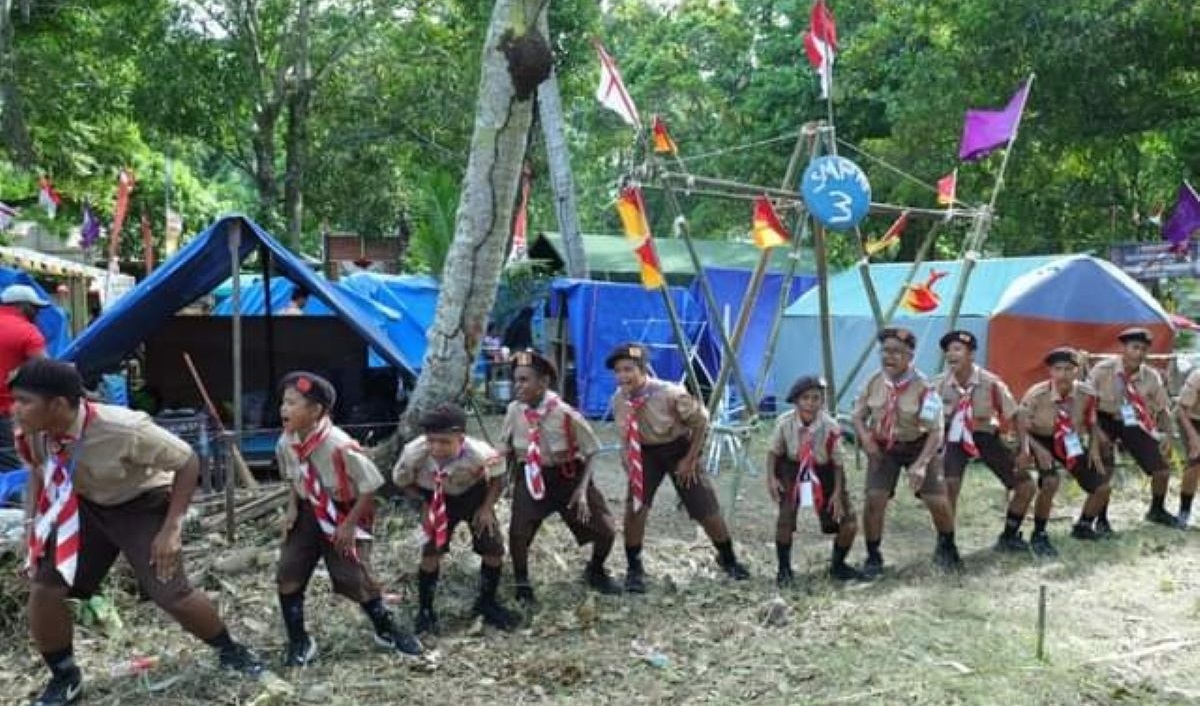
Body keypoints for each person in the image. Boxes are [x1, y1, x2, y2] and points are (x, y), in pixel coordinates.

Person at [13, 359, 262, 706]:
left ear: (57, 404)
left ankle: (232, 651)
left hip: (140, 503)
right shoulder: (34, 430)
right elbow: (39, 472)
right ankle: (64, 676)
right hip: (84, 504)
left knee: (170, 594)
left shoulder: (124, 427)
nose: (16, 409)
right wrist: (32, 528)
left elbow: (188, 461)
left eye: (24, 401)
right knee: (45, 585)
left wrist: (171, 529)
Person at [274, 372, 422, 667]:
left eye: (292, 403)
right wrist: (292, 508)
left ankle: (385, 628)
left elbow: (370, 486)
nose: (283, 409)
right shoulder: (286, 442)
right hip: (307, 512)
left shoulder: (338, 445)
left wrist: (349, 524)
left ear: (316, 411)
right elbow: (295, 477)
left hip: (344, 510)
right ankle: (299, 640)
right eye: (283, 402)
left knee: (352, 575)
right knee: (288, 572)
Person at [607, 343, 749, 593]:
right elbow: (624, 434)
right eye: (618, 371)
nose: (622, 377)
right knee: (635, 508)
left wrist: (691, 459)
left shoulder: (669, 393)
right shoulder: (619, 399)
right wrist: (629, 461)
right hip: (645, 453)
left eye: (628, 370)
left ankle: (728, 559)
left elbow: (702, 421)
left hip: (678, 448)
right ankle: (634, 569)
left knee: (704, 507)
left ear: (643, 370)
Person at [499, 350, 621, 604]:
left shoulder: (565, 413)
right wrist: (508, 481)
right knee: (518, 533)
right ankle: (522, 583)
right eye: (516, 380)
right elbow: (508, 449)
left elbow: (592, 451)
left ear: (543, 382)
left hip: (567, 477)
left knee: (606, 531)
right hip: (532, 476)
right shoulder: (513, 411)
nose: (517, 386)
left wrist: (582, 490)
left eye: (525, 380)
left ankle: (595, 571)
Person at [393, 403, 519, 634]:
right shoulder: (414, 453)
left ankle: (487, 602)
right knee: (431, 551)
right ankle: (426, 610)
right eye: (431, 440)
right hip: (434, 497)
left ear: (460, 438)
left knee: (493, 548)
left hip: (473, 495)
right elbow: (402, 481)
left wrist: (487, 507)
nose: (436, 447)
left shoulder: (480, 453)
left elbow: (498, 477)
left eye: (444, 442)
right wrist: (424, 503)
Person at [851, 327, 959, 579]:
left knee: (937, 500)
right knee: (873, 500)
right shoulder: (873, 382)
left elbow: (936, 431)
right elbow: (857, 415)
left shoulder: (924, 388)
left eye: (897, 352)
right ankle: (873, 555)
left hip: (919, 446)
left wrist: (921, 465)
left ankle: (947, 546)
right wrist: (866, 438)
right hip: (884, 447)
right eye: (885, 351)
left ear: (910, 356)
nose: (889, 357)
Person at [932, 330, 1036, 552]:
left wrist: (1023, 449)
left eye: (958, 349)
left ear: (971, 355)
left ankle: (1009, 535)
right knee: (948, 486)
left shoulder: (990, 383)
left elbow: (1015, 414)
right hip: (954, 437)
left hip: (984, 435)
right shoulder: (939, 385)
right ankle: (946, 544)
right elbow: (928, 420)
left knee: (1026, 485)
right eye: (948, 350)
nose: (951, 355)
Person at [766, 375, 861, 585]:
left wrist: (837, 492)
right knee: (785, 517)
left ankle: (837, 565)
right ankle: (783, 570)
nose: (810, 403)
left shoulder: (830, 426)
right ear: (796, 400)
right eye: (805, 398)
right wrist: (771, 478)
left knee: (849, 521)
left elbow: (838, 463)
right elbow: (773, 452)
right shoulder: (785, 422)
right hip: (792, 468)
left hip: (824, 470)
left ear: (822, 401)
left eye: (816, 398)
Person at [1017, 347, 1112, 548]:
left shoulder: (1086, 393)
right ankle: (1039, 532)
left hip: (1069, 440)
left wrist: (1094, 447)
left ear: (1076, 371)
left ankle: (1084, 526)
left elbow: (1092, 422)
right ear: (1050, 372)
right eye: (1058, 369)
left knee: (1102, 487)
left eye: (1068, 369)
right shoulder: (1036, 394)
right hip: (1038, 439)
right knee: (1050, 481)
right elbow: (1021, 426)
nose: (1063, 375)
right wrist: (1036, 449)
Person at [1087, 328, 1177, 530]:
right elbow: (1086, 404)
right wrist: (1096, 433)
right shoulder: (1103, 370)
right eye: (1135, 347)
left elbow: (1163, 409)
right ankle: (1101, 519)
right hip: (1102, 418)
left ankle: (1157, 510)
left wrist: (1168, 436)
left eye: (1144, 349)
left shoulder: (1151, 376)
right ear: (1124, 349)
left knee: (1162, 468)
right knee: (1105, 466)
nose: (1139, 353)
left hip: (1132, 421)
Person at [0, 284, 48, 470]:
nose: (37, 313)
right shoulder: (27, 331)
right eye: (35, 308)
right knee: (11, 466)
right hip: (5, 409)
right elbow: (46, 369)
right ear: (21, 307)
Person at [1175, 363, 1200, 528]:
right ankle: (1184, 511)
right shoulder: (1198, 376)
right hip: (1191, 418)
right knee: (1196, 461)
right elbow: (1181, 409)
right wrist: (1193, 437)